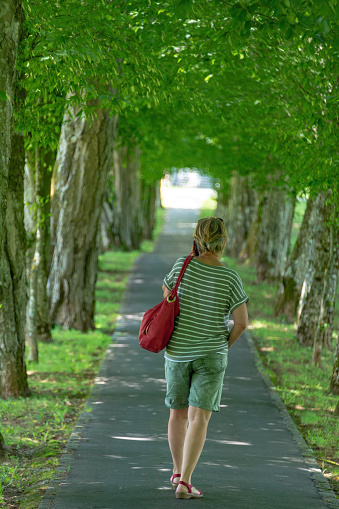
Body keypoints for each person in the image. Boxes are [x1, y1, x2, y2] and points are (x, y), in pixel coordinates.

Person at [161, 216, 249, 500]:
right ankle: (185, 482)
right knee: (199, 418)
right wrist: (223, 344)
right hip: (211, 354)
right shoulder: (230, 277)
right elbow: (241, 322)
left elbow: (167, 297)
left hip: (178, 353)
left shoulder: (180, 267)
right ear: (224, 240)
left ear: (197, 239)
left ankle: (177, 472)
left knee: (178, 413)